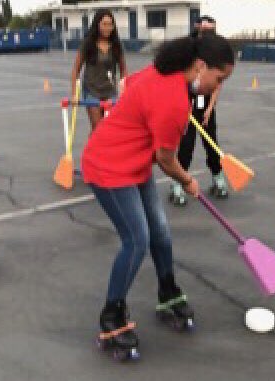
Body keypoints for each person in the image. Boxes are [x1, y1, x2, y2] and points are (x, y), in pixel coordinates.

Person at [81, 34, 235, 359]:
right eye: (219, 79)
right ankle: (111, 316)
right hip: (108, 166)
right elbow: (166, 159)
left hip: (135, 164)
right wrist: (189, 180)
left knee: (160, 232)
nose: (219, 86)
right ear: (200, 66)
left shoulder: (164, 72)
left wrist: (136, 115)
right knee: (137, 239)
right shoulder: (175, 101)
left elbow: (130, 83)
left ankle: (168, 290)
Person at [170, 15, 228, 206]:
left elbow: (217, 83)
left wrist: (209, 109)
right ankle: (178, 183)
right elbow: (179, 78)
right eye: (205, 30)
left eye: (211, 31)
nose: (207, 34)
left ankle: (218, 177)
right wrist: (184, 105)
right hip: (187, 104)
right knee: (186, 144)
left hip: (205, 105)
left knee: (212, 143)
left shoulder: (216, 52)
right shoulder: (190, 49)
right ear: (198, 28)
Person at [70, 9, 127, 132]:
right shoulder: (88, 44)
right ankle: (94, 151)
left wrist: (124, 92)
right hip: (92, 90)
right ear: (97, 25)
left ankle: (100, 150)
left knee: (109, 128)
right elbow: (76, 69)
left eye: (110, 24)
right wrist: (74, 94)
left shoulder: (117, 45)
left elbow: (123, 70)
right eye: (104, 24)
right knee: (98, 128)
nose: (107, 27)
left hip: (110, 91)